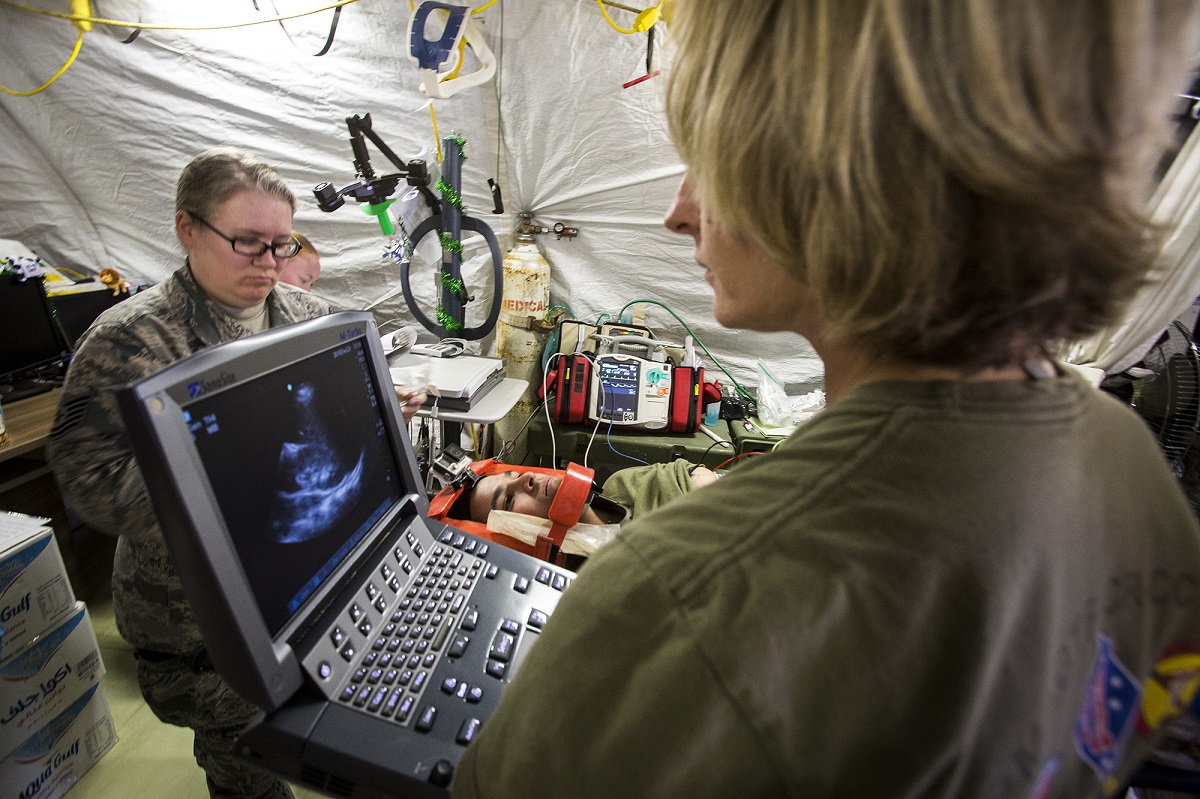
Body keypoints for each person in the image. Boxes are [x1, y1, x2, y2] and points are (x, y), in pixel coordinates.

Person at [451, 3, 1200, 798]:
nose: (679, 213)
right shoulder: (1129, 465)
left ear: (831, 176)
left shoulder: (683, 596)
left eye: (706, 160)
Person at [44, 148, 415, 799]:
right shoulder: (130, 340)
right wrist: (229, 465)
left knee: (310, 736)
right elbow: (90, 480)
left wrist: (377, 403)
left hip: (305, 590)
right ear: (187, 228)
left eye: (281, 243)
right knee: (247, 765)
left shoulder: (298, 312)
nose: (270, 264)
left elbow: (348, 379)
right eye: (249, 243)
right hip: (199, 624)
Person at [460, 459, 720, 526]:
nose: (527, 478)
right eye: (508, 500)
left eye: (514, 476)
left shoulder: (622, 483)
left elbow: (689, 472)